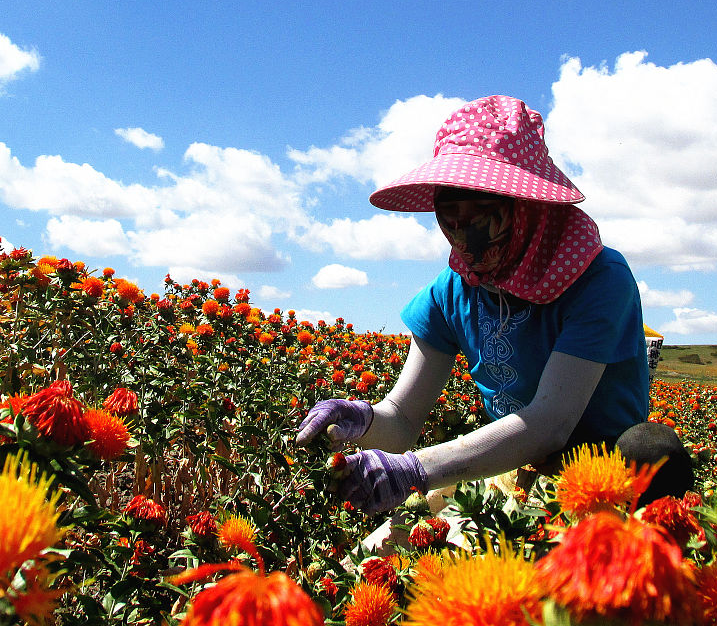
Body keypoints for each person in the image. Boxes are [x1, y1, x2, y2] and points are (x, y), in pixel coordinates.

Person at [296, 95, 693, 514]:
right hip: (513, 468)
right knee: (392, 554)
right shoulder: (452, 291)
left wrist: (415, 469)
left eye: (484, 214)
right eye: (451, 217)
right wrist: (363, 419)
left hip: (606, 479)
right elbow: (404, 418)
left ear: (528, 207)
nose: (466, 240)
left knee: (651, 448)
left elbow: (549, 423)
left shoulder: (598, 278)